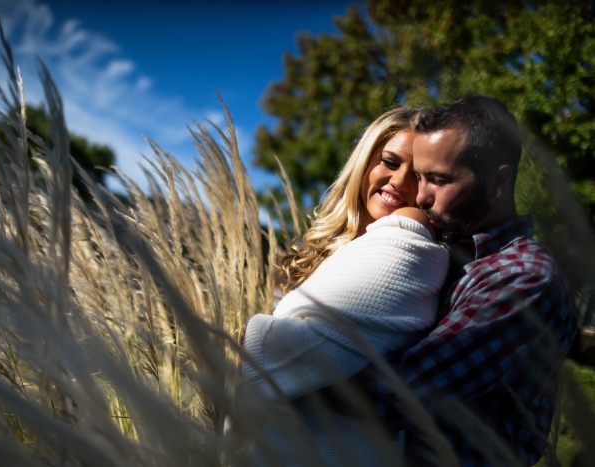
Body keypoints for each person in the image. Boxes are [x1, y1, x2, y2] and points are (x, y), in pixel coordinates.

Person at [359, 96, 578, 466]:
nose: (422, 195)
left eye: (439, 180)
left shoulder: (524, 278)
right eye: (419, 177)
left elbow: (402, 391)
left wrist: (274, 369)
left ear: (498, 182)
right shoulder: (447, 252)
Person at [237, 106, 450, 466]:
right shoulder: (343, 247)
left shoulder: (412, 234)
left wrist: (250, 337)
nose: (399, 182)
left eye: (417, 174)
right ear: (364, 162)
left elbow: (295, 350)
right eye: (389, 161)